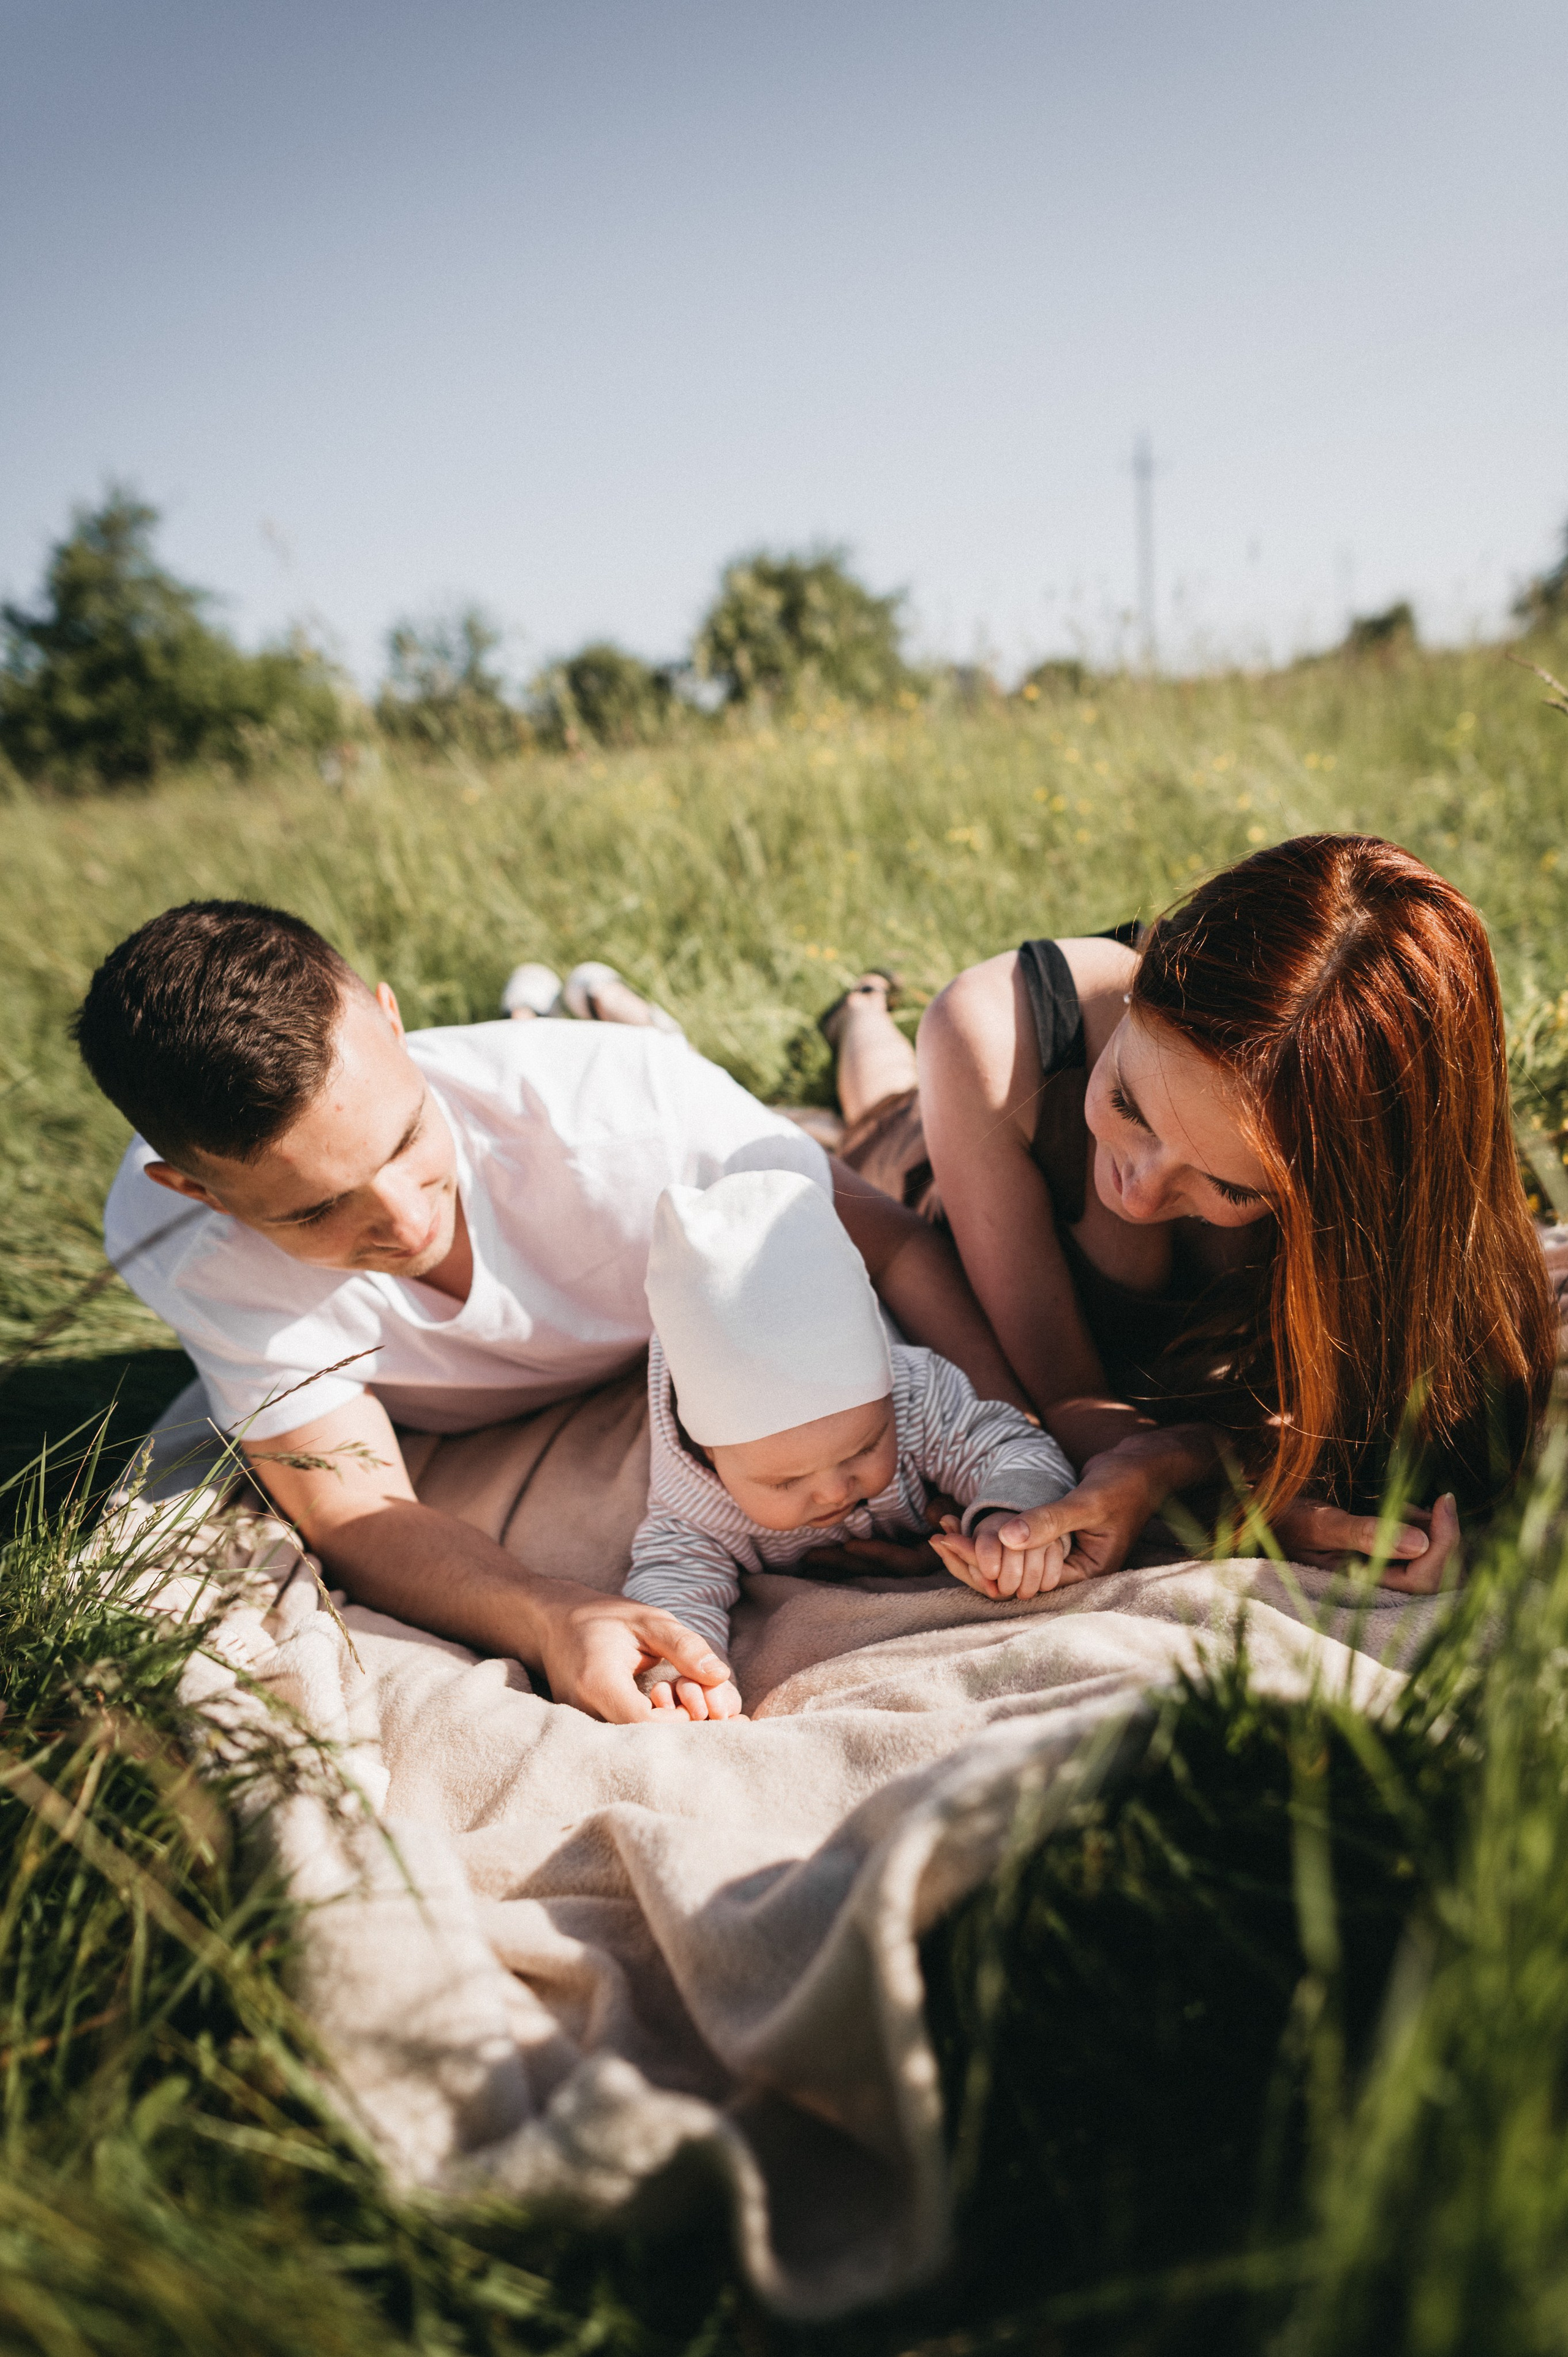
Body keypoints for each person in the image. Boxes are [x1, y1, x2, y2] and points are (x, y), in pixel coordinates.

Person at [75, 902, 1028, 1723]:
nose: (407, 1221)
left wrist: (1021, 1446)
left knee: (799, 1098)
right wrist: (551, 1614)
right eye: (319, 1209)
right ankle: (566, 999)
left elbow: (894, 1244)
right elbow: (353, 1504)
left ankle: (697, 1005)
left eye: (408, 1136)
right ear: (196, 1191)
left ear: (392, 1022)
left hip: (625, 1088)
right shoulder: (180, 1246)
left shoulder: (634, 1108)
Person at [823, 835, 1559, 1592]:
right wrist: (1240, 1497)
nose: (1137, 1194)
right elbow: (1064, 1401)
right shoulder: (991, 1033)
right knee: (880, 1104)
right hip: (942, 1160)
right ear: (1136, 993)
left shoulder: (1357, 1145)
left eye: (1232, 1188)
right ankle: (858, 1010)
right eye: (1126, 1103)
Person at [622, 1170, 1077, 1718]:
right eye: (786, 1481)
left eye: (865, 1447)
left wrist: (1011, 1515)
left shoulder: (912, 1398)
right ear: (710, 1453)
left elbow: (1012, 1446)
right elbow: (675, 1573)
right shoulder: (693, 1496)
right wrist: (680, 1666)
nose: (836, 1490)